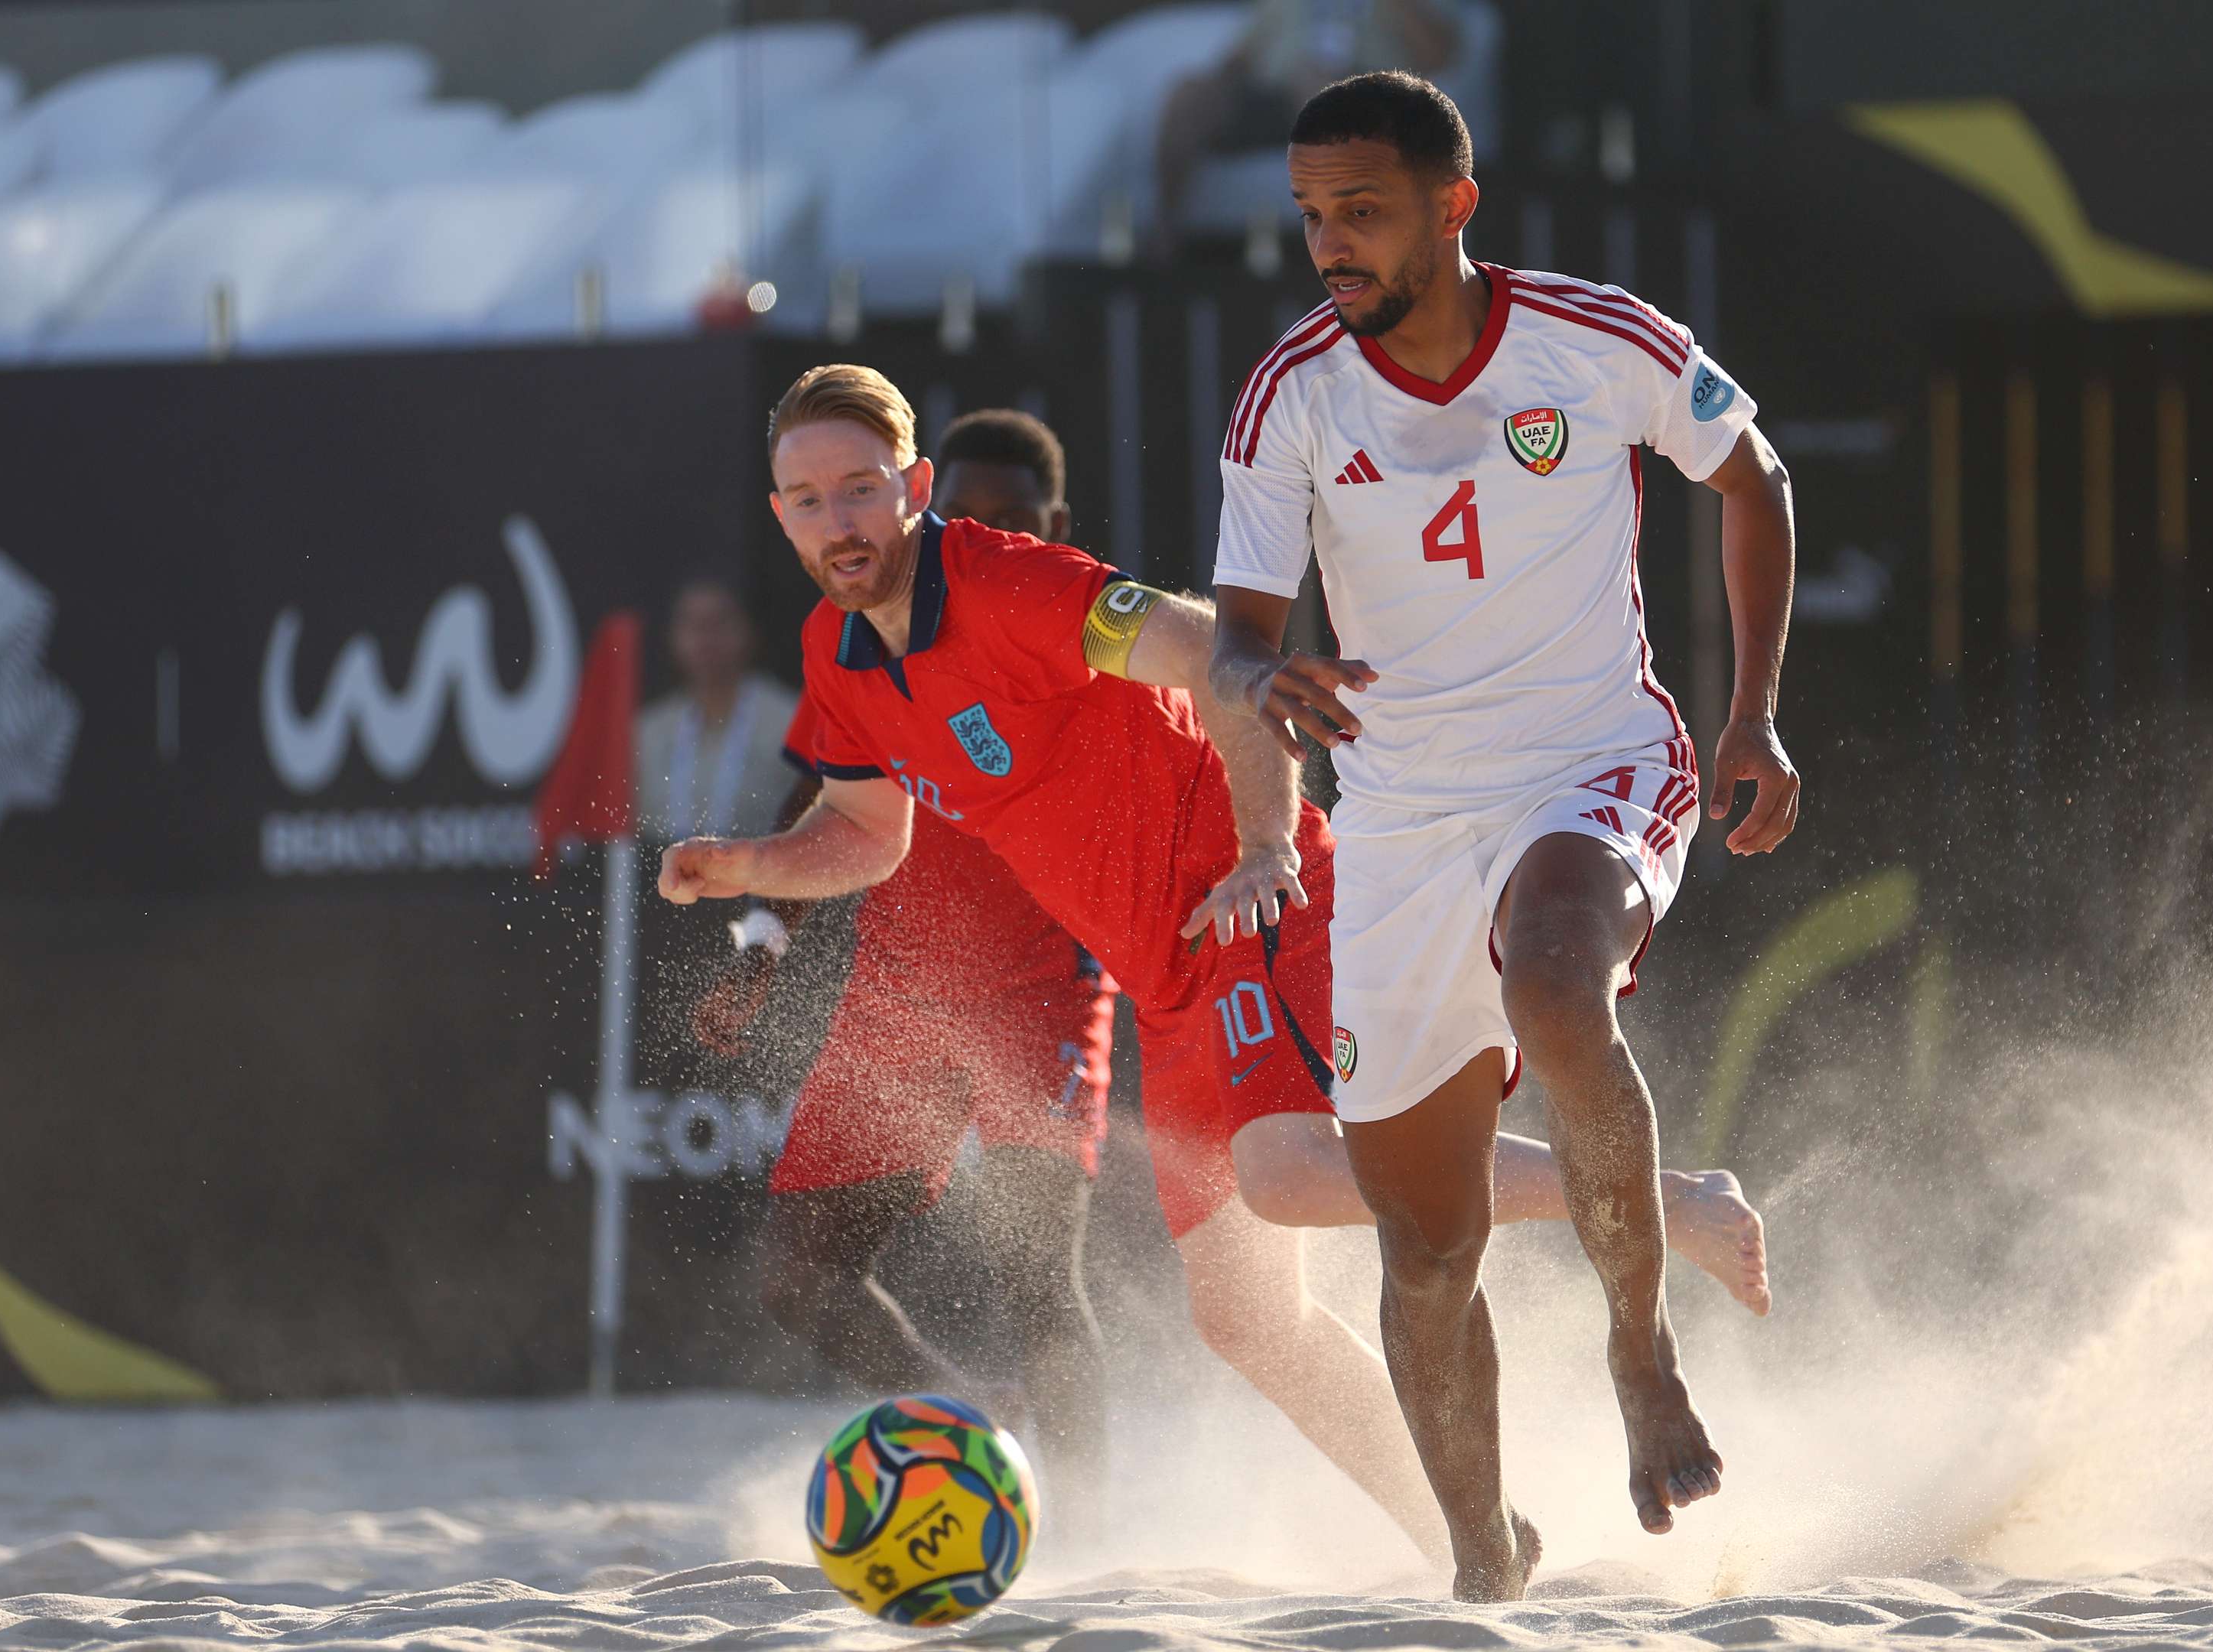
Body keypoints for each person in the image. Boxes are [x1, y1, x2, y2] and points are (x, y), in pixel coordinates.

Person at [659, 363, 1774, 1559]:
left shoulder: (1014, 584)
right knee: (1249, 1323)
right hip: (1166, 975)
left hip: (1253, 899)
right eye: (810, 499)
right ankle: (1481, 1530)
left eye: (862, 490)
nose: (841, 521)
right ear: (780, 514)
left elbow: (1231, 662)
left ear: (913, 487)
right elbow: (870, 838)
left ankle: (1671, 1207)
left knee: (1286, 1172)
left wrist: (1260, 847)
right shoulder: (839, 651)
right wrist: (749, 869)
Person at [1197, 72, 1792, 1597]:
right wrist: (1271, 677)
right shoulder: (1292, 393)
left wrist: (1751, 718)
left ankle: (1641, 1351)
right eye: (1310, 215)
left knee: (1556, 980)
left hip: (1588, 761)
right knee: (1425, 1245)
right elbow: (1240, 640)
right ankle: (1485, 1563)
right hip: (1396, 814)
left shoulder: (1594, 341)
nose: (1328, 243)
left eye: (1363, 212)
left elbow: (1755, 477)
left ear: (1454, 208)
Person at [692, 410, 1119, 1532]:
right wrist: (760, 944)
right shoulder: (859, 632)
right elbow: (820, 805)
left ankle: (1088, 1532)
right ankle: (978, 1429)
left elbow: (1181, 745)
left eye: (1005, 520)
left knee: (1041, 1279)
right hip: (902, 989)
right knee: (798, 1277)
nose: (975, 537)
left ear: (1052, 529)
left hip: (1044, 985)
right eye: (959, 513)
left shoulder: (1072, 619)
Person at [1152, 0, 1459, 254]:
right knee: (1189, 95)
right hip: (1272, 98)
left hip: (1365, 99)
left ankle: (1337, 244)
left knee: (1321, 86)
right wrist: (1211, 86)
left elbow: (1441, 54)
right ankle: (1164, 240)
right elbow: (1238, 60)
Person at [636, 567, 802, 842]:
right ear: (672, 636)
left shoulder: (791, 721)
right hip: (662, 880)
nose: (706, 637)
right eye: (693, 624)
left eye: (719, 622)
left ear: (749, 630)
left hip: (763, 878)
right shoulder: (647, 733)